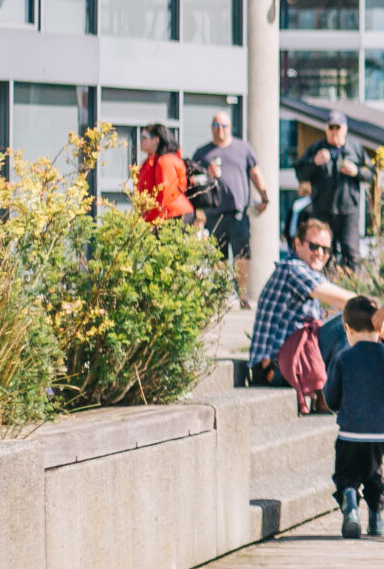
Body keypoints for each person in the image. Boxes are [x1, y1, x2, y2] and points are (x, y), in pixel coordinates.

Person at [324, 297, 384, 539]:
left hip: (350, 430)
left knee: (347, 473)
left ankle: (350, 500)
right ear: (380, 327)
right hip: (381, 432)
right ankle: (376, 518)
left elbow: (331, 396)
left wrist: (339, 408)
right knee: (373, 472)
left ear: (347, 328)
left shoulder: (343, 358)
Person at [248, 217, 353, 388]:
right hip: (275, 370)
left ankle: (332, 392)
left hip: (288, 362)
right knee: (348, 322)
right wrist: (381, 318)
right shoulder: (293, 269)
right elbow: (347, 301)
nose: (320, 253)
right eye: (314, 246)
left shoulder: (303, 271)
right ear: (297, 244)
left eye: (325, 249)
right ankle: (329, 393)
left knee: (353, 326)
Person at [189, 111, 265, 306]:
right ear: (211, 128)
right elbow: (192, 182)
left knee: (242, 256)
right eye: (216, 126)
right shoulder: (202, 153)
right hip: (213, 213)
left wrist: (264, 195)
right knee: (218, 258)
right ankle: (222, 295)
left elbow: (255, 172)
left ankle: (243, 296)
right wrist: (208, 173)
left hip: (238, 211)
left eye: (223, 126)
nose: (220, 130)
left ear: (230, 127)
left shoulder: (243, 148)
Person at [298, 113, 370, 268]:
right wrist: (314, 162)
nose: (334, 131)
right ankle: (323, 287)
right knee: (322, 252)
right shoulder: (316, 148)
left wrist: (356, 172)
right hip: (322, 212)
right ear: (326, 128)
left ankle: (352, 288)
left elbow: (371, 174)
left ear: (345, 129)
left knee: (351, 253)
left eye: (338, 127)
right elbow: (300, 172)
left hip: (348, 211)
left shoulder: (355, 148)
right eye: (331, 127)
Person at [133, 124, 193, 226]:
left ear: (156, 140)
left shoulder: (165, 161)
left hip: (173, 214)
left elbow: (165, 194)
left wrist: (157, 219)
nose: (141, 141)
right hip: (161, 215)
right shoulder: (151, 161)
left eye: (144, 138)